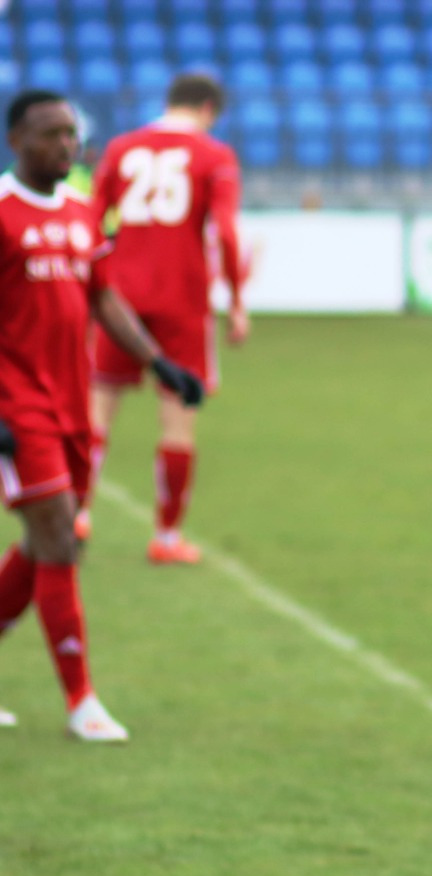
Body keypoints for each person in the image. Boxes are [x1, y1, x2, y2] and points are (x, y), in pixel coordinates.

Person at [1, 90, 205, 741]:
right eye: (51, 133)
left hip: (70, 399)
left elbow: (103, 297)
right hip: (16, 405)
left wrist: (158, 363)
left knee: (47, 541)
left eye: (72, 133)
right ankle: (81, 701)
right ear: (16, 140)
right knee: (61, 538)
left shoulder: (82, 209)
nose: (67, 144)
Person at [83, 72, 248, 564]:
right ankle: (167, 537)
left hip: (119, 299)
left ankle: (76, 513)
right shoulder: (214, 156)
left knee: (98, 408)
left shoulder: (121, 148)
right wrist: (237, 300)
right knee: (178, 417)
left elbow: (91, 220)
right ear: (208, 109)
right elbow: (226, 231)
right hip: (183, 300)